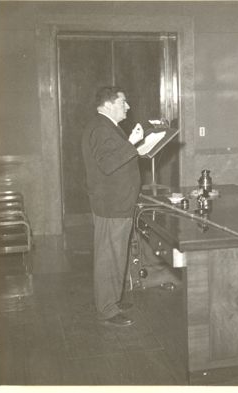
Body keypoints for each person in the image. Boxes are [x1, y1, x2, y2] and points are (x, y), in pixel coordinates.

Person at [82, 86, 164, 327]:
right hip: (111, 205)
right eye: (123, 102)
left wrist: (139, 144)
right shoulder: (100, 128)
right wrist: (132, 143)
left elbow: (115, 157)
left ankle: (113, 301)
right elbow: (108, 164)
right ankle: (107, 309)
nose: (128, 107)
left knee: (117, 254)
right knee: (109, 257)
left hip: (118, 202)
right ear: (108, 105)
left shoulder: (106, 127)